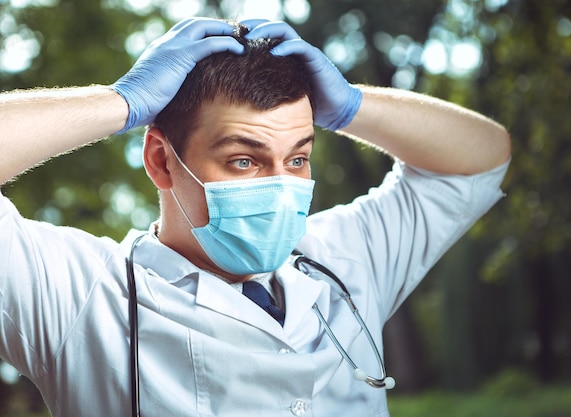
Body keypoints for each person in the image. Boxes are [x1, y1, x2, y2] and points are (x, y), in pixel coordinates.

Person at [0, 17, 511, 417]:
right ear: (160, 161)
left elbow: (482, 159)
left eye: (297, 158)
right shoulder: (74, 294)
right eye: (243, 160)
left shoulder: (345, 257)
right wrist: (122, 102)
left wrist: (352, 107)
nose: (280, 186)